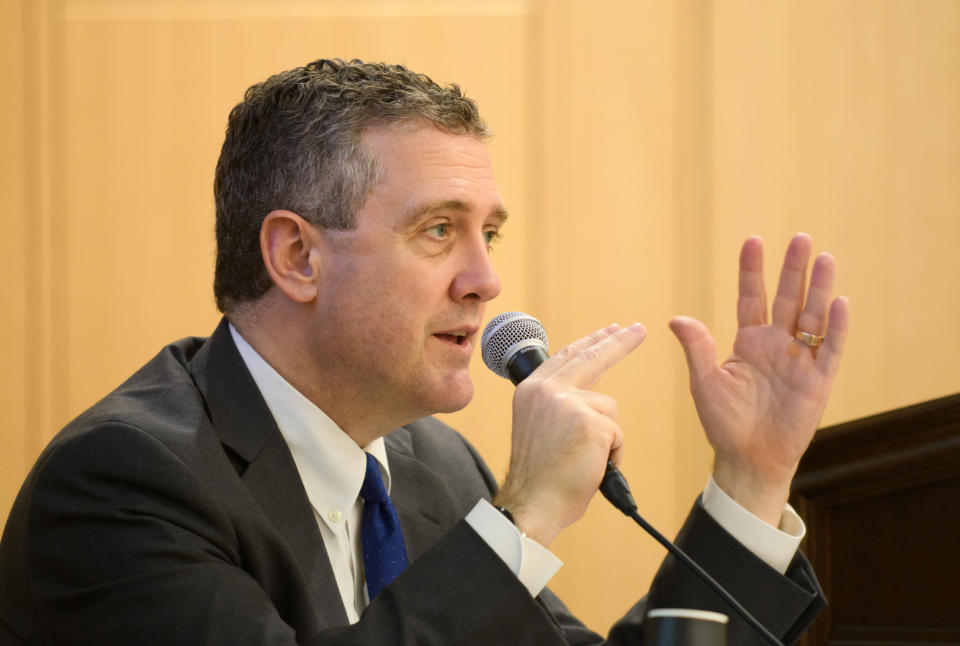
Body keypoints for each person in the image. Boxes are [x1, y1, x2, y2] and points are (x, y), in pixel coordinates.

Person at [0, 58, 849, 645]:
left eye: (490, 234)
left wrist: (751, 479)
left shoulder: (435, 468)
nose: (485, 280)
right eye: (439, 231)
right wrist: (524, 519)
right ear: (297, 256)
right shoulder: (123, 483)